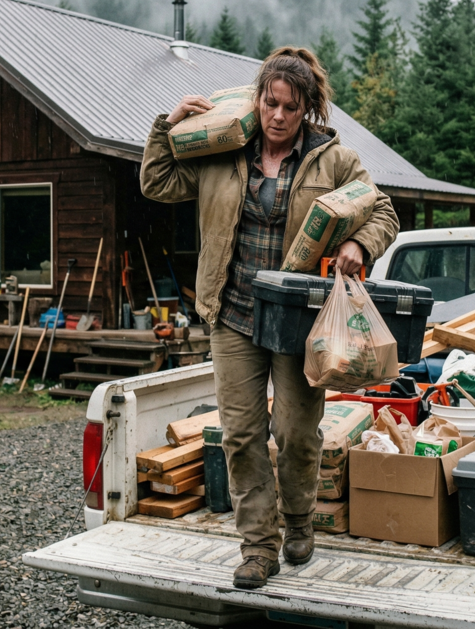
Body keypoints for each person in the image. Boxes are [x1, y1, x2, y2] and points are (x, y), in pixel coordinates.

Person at [141, 47, 399, 588]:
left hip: (294, 323)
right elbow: (157, 184)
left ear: (307, 109)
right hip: (231, 314)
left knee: (296, 433)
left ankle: (300, 518)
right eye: (269, 101)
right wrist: (166, 127)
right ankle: (258, 547)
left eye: (290, 106)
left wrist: (359, 243)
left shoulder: (333, 161)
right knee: (240, 435)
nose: (277, 115)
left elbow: (383, 209)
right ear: (257, 99)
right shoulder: (223, 153)